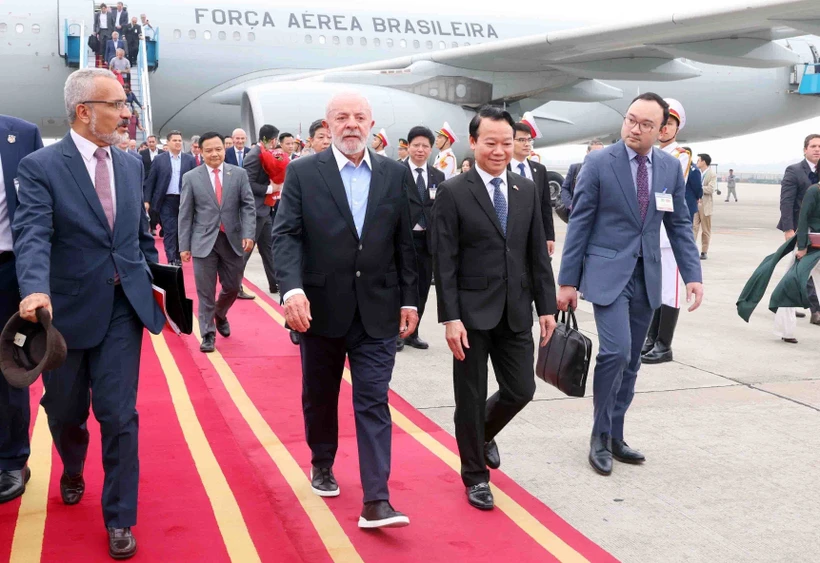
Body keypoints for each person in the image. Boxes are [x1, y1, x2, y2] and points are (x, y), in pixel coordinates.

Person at [13, 68, 166, 559]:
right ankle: (73, 464)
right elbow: (32, 234)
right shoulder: (40, 166)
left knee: (119, 414)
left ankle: (120, 517)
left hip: (123, 307)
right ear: (84, 111)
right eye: (116, 104)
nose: (125, 114)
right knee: (65, 412)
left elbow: (138, 237)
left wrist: (157, 283)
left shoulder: (131, 165)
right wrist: (35, 290)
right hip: (65, 312)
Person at [272, 92, 418, 529]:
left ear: (371, 124)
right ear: (328, 124)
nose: (351, 124)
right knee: (320, 395)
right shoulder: (303, 173)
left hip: (378, 309)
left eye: (359, 117)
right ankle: (322, 461)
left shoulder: (394, 173)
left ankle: (377, 500)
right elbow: (286, 235)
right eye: (342, 117)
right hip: (319, 309)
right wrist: (291, 290)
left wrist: (409, 299)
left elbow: (405, 243)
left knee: (373, 399)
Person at [557, 93, 703, 477]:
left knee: (633, 360)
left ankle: (616, 433)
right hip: (607, 274)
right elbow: (580, 223)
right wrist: (567, 281)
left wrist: (693, 275)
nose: (635, 129)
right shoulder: (599, 162)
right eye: (631, 120)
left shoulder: (670, 168)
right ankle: (599, 435)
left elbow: (679, 225)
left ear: (662, 129)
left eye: (645, 124)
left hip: (647, 275)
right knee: (616, 352)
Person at [433, 105, 556, 511]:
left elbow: (536, 254)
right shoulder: (454, 191)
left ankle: (480, 434)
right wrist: (450, 317)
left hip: (516, 309)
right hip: (469, 316)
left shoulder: (526, 190)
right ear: (473, 142)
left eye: (507, 143)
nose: (500, 151)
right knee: (469, 397)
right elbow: (444, 260)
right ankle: (475, 476)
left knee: (522, 389)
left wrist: (546, 306)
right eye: (491, 143)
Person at [178, 132, 256, 353]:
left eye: (218, 149)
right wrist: (184, 246)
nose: (214, 154)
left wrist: (248, 233)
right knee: (205, 291)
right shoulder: (191, 177)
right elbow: (185, 213)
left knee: (232, 286)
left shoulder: (239, 174)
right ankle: (208, 334)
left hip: (232, 240)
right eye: (209, 150)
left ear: (224, 149)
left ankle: (220, 314)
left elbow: (248, 206)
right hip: (203, 241)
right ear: (200, 152)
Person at [0, 115, 43, 505]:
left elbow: (41, 212)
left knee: (9, 368)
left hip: (7, 272)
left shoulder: (22, 135)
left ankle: (12, 460)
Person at [641, 99, 701, 365]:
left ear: (678, 128)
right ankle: (651, 339)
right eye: (661, 123)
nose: (664, 128)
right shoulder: (651, 153)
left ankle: (664, 344)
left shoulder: (680, 154)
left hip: (669, 233)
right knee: (657, 287)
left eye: (670, 124)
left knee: (671, 290)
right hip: (653, 232)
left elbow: (664, 187)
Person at [399, 125, 444, 352]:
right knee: (401, 286)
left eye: (425, 146)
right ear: (408, 147)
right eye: (416, 145)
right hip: (402, 239)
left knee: (423, 287)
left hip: (427, 240)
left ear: (431, 149)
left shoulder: (438, 175)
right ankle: (397, 332)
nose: (420, 150)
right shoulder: (396, 171)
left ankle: (413, 333)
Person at [777, 134, 820, 326]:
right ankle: (814, 309)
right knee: (802, 268)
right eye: (813, 146)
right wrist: (788, 229)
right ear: (805, 150)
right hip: (798, 229)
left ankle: (788, 303)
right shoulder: (794, 170)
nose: (817, 149)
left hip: (817, 230)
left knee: (804, 270)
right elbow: (786, 201)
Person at [143, 130, 196, 266]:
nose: (178, 143)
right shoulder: (159, 159)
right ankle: (172, 259)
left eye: (179, 140)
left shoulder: (189, 160)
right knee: (170, 229)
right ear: (168, 142)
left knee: (181, 229)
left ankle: (178, 255)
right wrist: (147, 200)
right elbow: (151, 180)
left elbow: (195, 181)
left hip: (184, 200)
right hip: (166, 200)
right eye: (174, 140)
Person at [240, 124, 281, 295]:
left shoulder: (264, 153)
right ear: (272, 139)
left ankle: (275, 283)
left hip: (265, 210)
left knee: (269, 249)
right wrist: (270, 189)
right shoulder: (254, 155)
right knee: (246, 251)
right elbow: (247, 183)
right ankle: (234, 285)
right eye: (276, 139)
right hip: (254, 211)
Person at [509, 121, 556, 255]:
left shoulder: (539, 170)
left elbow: (545, 205)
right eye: (521, 140)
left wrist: (549, 236)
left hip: (535, 233)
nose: (527, 144)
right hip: (510, 234)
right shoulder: (502, 168)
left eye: (529, 140)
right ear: (510, 141)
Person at [560, 139, 604, 213]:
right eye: (594, 153)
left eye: (601, 153)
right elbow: (564, 189)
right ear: (587, 152)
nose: (598, 155)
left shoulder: (608, 170)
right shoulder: (575, 168)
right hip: (577, 212)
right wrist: (570, 205)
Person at [695, 154, 716, 260]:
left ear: (704, 162)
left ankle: (704, 251)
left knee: (705, 229)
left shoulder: (712, 174)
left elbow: (711, 189)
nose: (697, 162)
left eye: (698, 160)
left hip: (705, 204)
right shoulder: (696, 172)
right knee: (693, 227)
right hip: (695, 203)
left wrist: (699, 188)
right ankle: (691, 249)